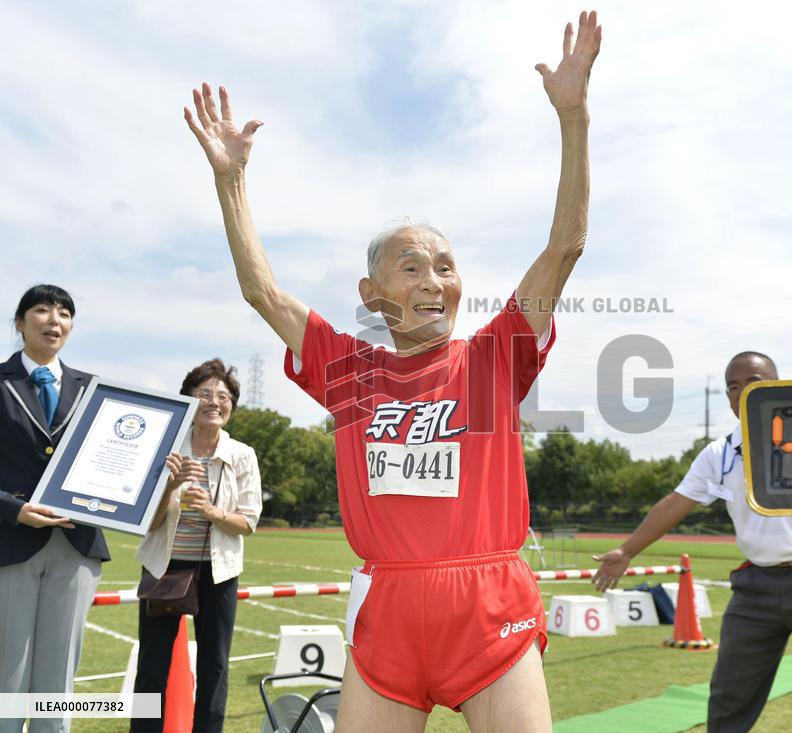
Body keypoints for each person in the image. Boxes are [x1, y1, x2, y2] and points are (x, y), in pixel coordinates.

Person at [183, 11, 600, 732]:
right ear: (372, 295)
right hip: (388, 616)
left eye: (445, 264)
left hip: (488, 604)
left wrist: (574, 116)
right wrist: (233, 183)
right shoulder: (348, 369)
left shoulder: (494, 357)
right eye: (411, 267)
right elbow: (264, 293)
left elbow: (564, 247)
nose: (434, 280)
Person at [593, 352, 792, 733]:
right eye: (733, 386)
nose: (741, 392)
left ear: (776, 386)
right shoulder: (720, 454)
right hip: (757, 589)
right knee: (730, 693)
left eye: (753, 382)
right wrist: (626, 550)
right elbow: (675, 502)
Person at [0, 284, 110, 733]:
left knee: (59, 678)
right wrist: (12, 509)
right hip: (10, 543)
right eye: (42, 310)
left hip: (76, 543)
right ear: (20, 322)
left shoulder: (96, 391)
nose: (54, 319)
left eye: (64, 312)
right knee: (7, 671)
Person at [133, 359, 262, 732]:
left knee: (215, 666)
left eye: (223, 396)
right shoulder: (166, 450)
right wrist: (171, 486)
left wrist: (213, 512)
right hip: (165, 567)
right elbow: (149, 522)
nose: (214, 402)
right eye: (204, 394)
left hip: (219, 572)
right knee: (152, 666)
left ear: (231, 406)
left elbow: (248, 522)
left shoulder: (242, 455)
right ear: (188, 400)